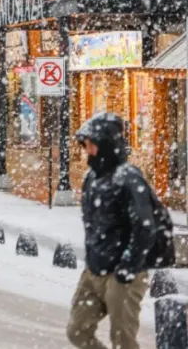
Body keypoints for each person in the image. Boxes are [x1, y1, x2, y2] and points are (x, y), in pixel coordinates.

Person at [66, 112, 159, 349]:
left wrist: (129, 265)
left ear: (105, 144)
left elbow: (145, 227)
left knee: (123, 340)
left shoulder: (128, 178)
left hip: (123, 272)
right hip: (95, 270)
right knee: (77, 330)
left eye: (91, 144)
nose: (87, 149)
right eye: (85, 144)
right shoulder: (91, 178)